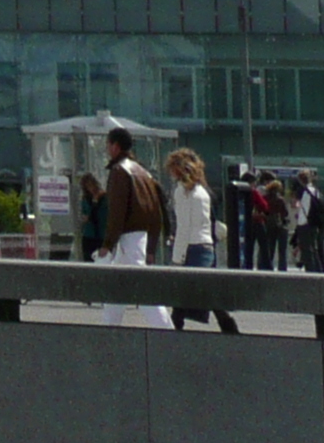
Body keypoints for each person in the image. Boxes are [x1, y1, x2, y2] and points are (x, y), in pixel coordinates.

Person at [95, 126, 171, 329]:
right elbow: (157, 213)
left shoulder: (120, 171)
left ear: (116, 146)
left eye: (108, 144)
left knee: (144, 289)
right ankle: (109, 328)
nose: (106, 149)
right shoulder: (143, 172)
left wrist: (108, 243)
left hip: (127, 238)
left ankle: (166, 330)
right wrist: (152, 248)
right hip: (141, 237)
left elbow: (116, 211)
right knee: (116, 289)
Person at [164, 149, 237, 334]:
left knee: (187, 293)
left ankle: (175, 328)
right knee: (204, 290)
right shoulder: (202, 191)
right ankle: (227, 324)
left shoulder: (182, 193)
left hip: (191, 247)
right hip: (205, 247)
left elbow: (184, 228)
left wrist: (177, 257)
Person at [296, 170, 324, 274]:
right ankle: (320, 271)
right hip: (316, 224)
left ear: (300, 180)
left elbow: (304, 211)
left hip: (306, 225)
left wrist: (299, 226)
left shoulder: (306, 192)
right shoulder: (316, 191)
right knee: (315, 249)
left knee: (308, 251)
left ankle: (312, 273)